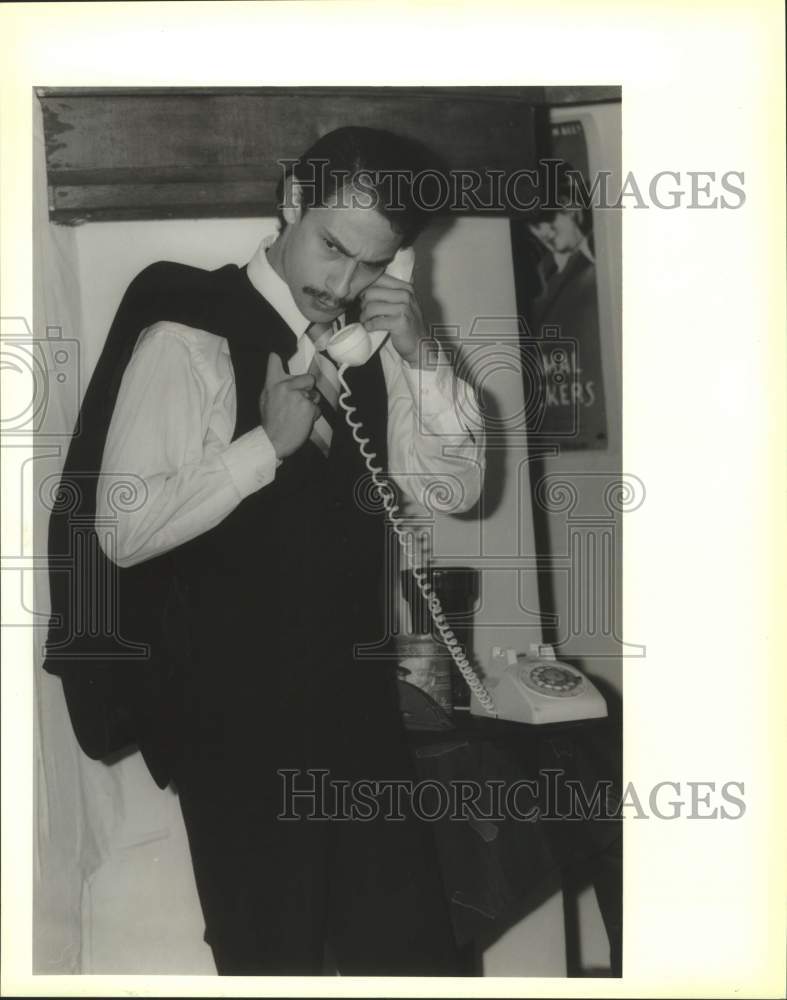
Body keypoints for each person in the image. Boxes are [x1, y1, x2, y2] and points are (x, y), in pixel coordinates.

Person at [45, 126, 485, 975]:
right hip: (233, 728)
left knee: (414, 956)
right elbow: (122, 528)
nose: (340, 283)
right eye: (330, 247)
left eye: (371, 264)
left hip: (355, 711)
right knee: (269, 960)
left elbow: (454, 489)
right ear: (290, 202)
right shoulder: (188, 330)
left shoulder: (373, 345)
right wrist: (262, 449)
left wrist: (423, 356)